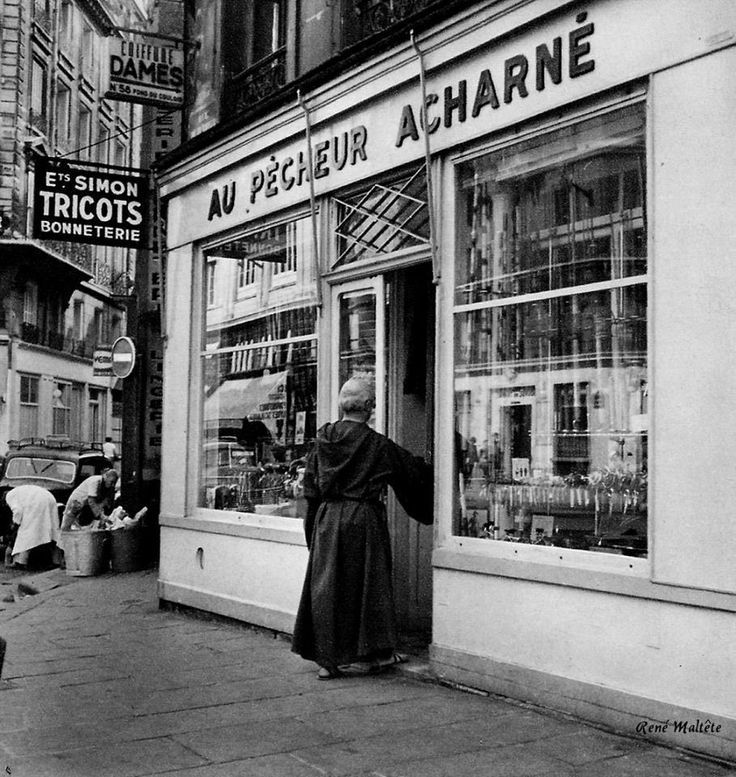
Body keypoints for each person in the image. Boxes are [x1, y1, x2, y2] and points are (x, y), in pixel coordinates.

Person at [291, 375, 433, 680]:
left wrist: (312, 530)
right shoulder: (376, 444)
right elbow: (412, 473)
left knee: (328, 588)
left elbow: (311, 489)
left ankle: (327, 659)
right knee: (366, 587)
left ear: (343, 405)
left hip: (327, 518)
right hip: (362, 520)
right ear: (369, 407)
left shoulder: (322, 440)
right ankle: (368, 655)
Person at [4, 485, 61, 568]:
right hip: (49, 497)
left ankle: (21, 562)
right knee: (52, 532)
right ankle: (57, 561)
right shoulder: (17, 491)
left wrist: (15, 524)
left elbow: (17, 511)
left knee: (27, 533)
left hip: (37, 501)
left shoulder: (9, 497)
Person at [60, 469, 118, 534]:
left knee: (88, 529)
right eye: (111, 482)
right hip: (76, 502)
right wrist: (101, 516)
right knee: (66, 528)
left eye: (114, 483)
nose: (112, 485)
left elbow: (108, 502)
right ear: (105, 477)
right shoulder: (95, 481)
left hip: (86, 506)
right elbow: (92, 501)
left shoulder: (107, 486)